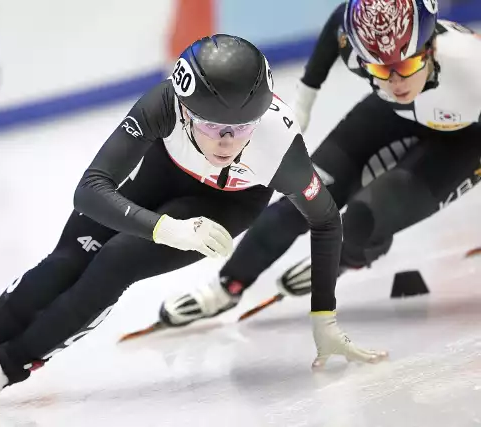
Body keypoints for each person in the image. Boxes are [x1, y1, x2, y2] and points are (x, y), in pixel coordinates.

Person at [0, 34, 386, 416]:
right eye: (212, 126)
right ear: (184, 110)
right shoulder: (162, 104)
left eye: (240, 128)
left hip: (224, 209)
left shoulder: (280, 150)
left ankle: (10, 364)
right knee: (62, 264)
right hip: (160, 182)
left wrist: (324, 320)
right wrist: (162, 227)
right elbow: (89, 190)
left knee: (115, 263)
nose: (228, 140)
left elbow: (325, 224)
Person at [156, 0, 481, 355]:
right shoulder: (361, 51)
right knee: (298, 204)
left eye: (407, 64)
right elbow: (337, 23)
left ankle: (348, 258)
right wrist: (305, 100)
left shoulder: (471, 69)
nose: (396, 79)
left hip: (466, 142)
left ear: (430, 47)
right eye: (380, 68)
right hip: (391, 113)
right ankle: (223, 288)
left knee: (361, 220)